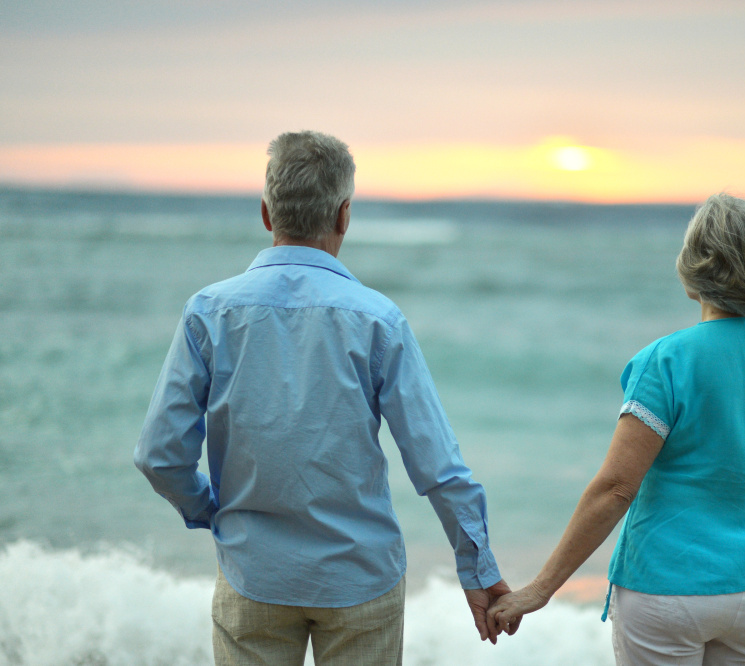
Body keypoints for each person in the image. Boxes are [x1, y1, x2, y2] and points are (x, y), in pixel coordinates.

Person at [135, 130, 511, 666]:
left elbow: (158, 456)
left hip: (253, 574)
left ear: (267, 214)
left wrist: (211, 511)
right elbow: (437, 465)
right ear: (344, 216)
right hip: (360, 579)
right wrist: (477, 569)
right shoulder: (378, 320)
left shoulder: (208, 313)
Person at [488, 193, 745, 665]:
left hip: (667, 589)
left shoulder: (665, 361)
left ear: (695, 268)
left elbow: (617, 488)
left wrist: (539, 590)